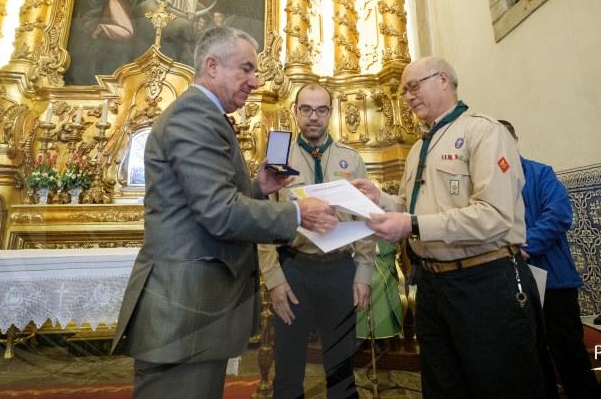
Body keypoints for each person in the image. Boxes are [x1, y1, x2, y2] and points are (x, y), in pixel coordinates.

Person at [112, 27, 339, 399]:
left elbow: (204, 201)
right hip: (184, 312)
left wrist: (257, 189)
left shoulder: (205, 115)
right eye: (246, 69)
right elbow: (219, 212)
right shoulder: (195, 117)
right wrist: (298, 214)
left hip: (193, 312)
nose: (256, 80)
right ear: (212, 65)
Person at [352, 56, 549, 398]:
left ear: (443, 79)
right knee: (443, 385)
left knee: (498, 384)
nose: (408, 97)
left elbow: (494, 216)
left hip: (484, 282)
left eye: (414, 86)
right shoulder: (418, 148)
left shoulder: (484, 131)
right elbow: (415, 208)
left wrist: (412, 224)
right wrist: (381, 199)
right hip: (433, 284)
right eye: (404, 91)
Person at [258, 83, 374, 399]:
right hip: (295, 269)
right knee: (289, 369)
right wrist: (274, 279)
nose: (313, 117)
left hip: (339, 270)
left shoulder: (351, 159)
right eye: (306, 109)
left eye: (321, 110)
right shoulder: (278, 157)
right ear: (295, 112)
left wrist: (363, 274)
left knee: (341, 370)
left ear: (330, 113)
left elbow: (366, 220)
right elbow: (263, 223)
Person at [499, 120, 601, 399]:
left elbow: (558, 215)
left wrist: (524, 245)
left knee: (569, 354)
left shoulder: (539, 173)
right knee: (531, 358)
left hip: (554, 281)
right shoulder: (488, 185)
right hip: (514, 286)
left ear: (515, 139)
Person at [355, 240, 402, 351]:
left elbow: (393, 237)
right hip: (358, 258)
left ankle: (380, 337)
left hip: (381, 260)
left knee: (376, 281)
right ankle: (358, 334)